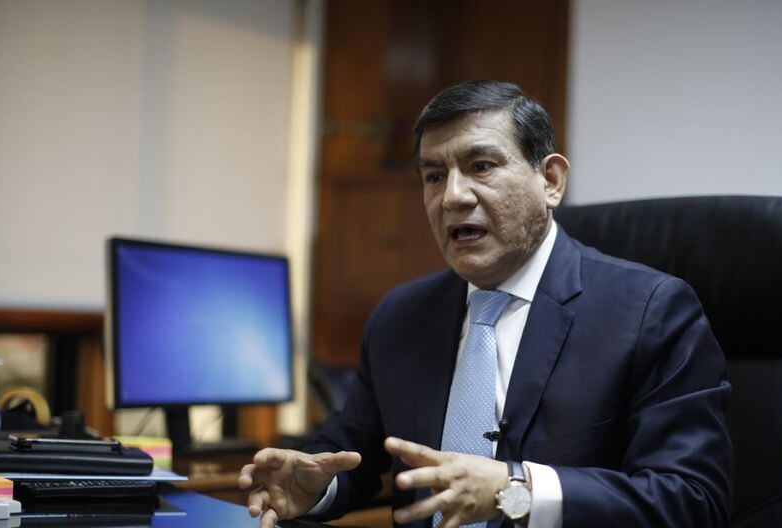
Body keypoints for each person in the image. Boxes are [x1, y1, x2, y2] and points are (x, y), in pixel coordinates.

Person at [238, 80, 731, 528]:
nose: (452, 197)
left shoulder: (648, 311)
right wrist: (314, 487)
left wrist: (518, 491)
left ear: (551, 181)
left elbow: (691, 500)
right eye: (434, 176)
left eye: (481, 166)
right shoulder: (401, 316)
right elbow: (348, 457)